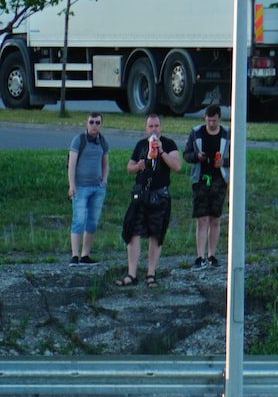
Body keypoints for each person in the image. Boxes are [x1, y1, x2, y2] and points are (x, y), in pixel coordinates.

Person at [118, 114, 182, 287]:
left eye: (156, 126)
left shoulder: (169, 144)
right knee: (133, 232)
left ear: (161, 127)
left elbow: (177, 166)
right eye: (150, 126)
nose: (154, 129)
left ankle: (151, 273)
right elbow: (129, 167)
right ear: (146, 129)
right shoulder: (141, 145)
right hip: (141, 194)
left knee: (156, 234)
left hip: (160, 195)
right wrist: (137, 166)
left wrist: (161, 152)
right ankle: (132, 274)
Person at [184, 104, 230, 270]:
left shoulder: (227, 134)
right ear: (205, 119)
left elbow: (236, 157)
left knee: (215, 219)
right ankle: (200, 256)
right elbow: (186, 155)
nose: (211, 124)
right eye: (209, 120)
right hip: (201, 179)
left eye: (214, 121)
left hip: (219, 180)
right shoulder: (197, 133)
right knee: (202, 219)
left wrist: (223, 162)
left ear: (219, 119)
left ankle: (212, 255)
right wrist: (197, 157)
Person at [67, 113, 111, 265]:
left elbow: (105, 163)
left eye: (97, 122)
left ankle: (85, 255)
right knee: (78, 220)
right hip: (80, 187)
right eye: (91, 122)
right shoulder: (79, 140)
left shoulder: (103, 141)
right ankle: (74, 256)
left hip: (97, 188)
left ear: (101, 125)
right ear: (86, 123)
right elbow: (71, 164)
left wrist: (104, 180)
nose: (94, 125)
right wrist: (72, 185)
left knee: (92, 222)